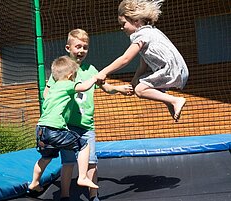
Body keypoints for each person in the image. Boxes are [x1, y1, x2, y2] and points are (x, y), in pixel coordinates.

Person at [44, 29, 133, 201]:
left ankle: (93, 195)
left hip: (86, 125)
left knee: (92, 161)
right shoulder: (62, 70)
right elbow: (47, 92)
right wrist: (52, 105)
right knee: (68, 162)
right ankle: (64, 195)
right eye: (78, 46)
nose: (81, 50)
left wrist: (119, 89)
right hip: (67, 126)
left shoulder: (91, 69)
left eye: (85, 47)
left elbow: (105, 87)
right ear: (68, 48)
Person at [97, 0, 189, 122]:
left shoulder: (140, 35)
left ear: (136, 21)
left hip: (170, 70)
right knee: (143, 86)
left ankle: (175, 100)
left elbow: (125, 59)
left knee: (140, 90)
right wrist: (135, 79)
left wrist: (104, 72)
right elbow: (143, 63)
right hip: (180, 70)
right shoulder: (151, 31)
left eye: (124, 23)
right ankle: (169, 102)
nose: (121, 27)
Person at [28, 55, 99, 195]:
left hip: (41, 129)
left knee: (46, 157)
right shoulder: (67, 84)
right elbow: (83, 87)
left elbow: (48, 99)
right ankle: (83, 177)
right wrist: (95, 78)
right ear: (71, 74)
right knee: (84, 145)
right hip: (55, 129)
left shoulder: (52, 88)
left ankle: (34, 182)